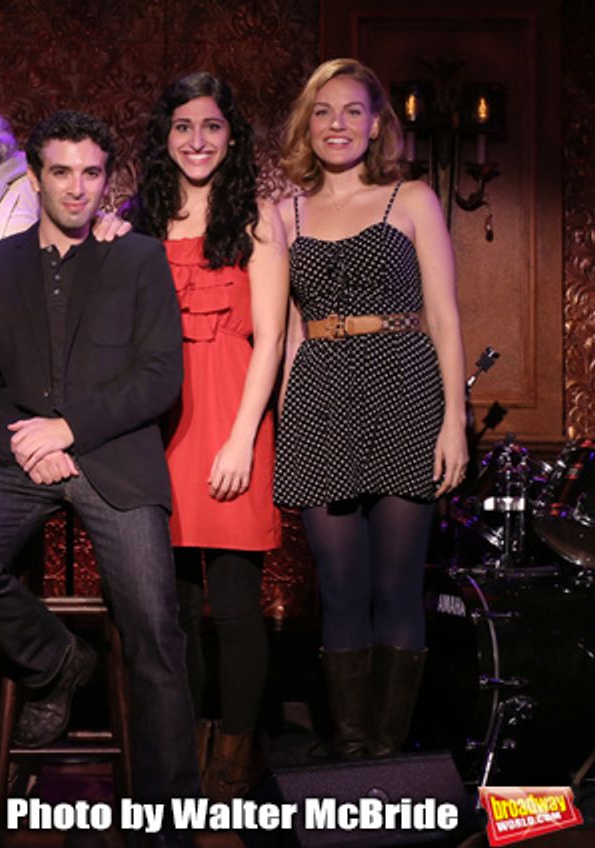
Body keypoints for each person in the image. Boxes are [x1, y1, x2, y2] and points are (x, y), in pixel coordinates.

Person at [0, 110, 199, 844]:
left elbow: (160, 377)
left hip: (112, 456)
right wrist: (29, 442)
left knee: (154, 625)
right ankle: (58, 662)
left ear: (106, 178)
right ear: (34, 176)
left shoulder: (138, 258)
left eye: (91, 173)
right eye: (61, 171)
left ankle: (169, 820)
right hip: (21, 455)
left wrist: (71, 430)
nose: (77, 187)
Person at [274, 58, 467, 759]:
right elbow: (288, 333)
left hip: (406, 390)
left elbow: (444, 316)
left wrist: (454, 422)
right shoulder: (283, 212)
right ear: (306, 124)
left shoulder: (411, 199)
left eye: (353, 111)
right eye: (323, 112)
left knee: (396, 585)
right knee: (341, 584)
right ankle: (353, 752)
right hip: (320, 396)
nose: (337, 124)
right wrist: (280, 428)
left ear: (377, 123)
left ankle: (388, 754)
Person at [125, 71, 288, 799]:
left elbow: (275, 341)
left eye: (212, 126)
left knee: (235, 602)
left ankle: (233, 754)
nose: (198, 140)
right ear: (165, 137)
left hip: (231, 417)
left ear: (232, 137)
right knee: (176, 607)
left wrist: (241, 438)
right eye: (184, 126)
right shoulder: (139, 222)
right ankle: (183, 751)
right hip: (157, 423)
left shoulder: (255, 218)